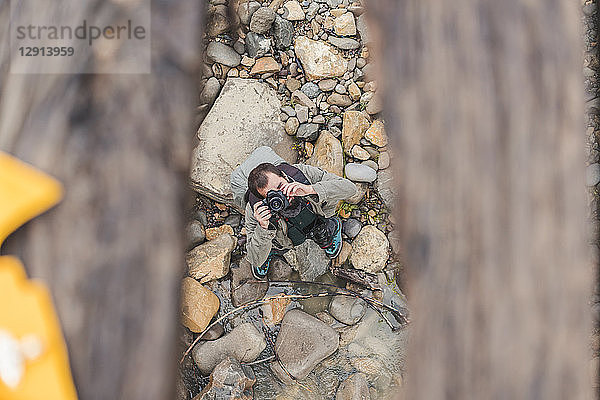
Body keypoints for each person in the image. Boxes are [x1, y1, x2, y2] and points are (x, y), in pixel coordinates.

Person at [231, 147, 357, 280]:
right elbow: (255, 260)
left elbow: (350, 189)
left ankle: (330, 227)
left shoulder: (301, 174)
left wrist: (311, 189)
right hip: (281, 235)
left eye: (280, 186)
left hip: (316, 213)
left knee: (321, 224)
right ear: (263, 199)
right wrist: (263, 228)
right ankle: (273, 250)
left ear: (284, 176)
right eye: (272, 196)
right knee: (269, 246)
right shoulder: (255, 209)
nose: (281, 195)